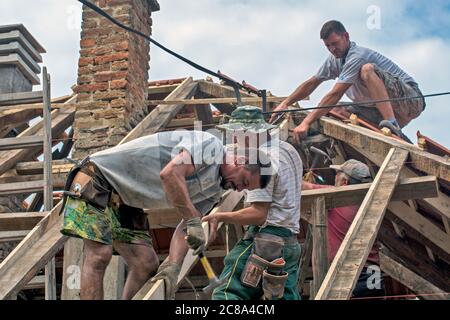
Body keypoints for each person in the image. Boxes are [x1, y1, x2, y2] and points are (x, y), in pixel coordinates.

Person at [60, 130, 271, 299]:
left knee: (146, 265)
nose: (239, 189)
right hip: (96, 178)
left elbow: (188, 226)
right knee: (99, 256)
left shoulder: (217, 189)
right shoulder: (211, 147)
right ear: (241, 161)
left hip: (124, 199)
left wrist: (173, 266)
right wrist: (192, 219)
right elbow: (170, 173)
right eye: (243, 182)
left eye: (245, 189)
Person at [203, 106, 303, 300]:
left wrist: (219, 216)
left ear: (246, 134)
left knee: (227, 293)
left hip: (266, 241)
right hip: (289, 243)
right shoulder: (288, 150)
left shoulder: (260, 160)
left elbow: (258, 214)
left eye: (234, 134)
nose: (233, 140)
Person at [272, 20, 425, 142]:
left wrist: (305, 122)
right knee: (334, 111)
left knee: (367, 70)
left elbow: (335, 94)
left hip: (411, 101)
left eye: (335, 43)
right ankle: (392, 132)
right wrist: (285, 103)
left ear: (346, 36)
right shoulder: (334, 60)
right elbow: (311, 83)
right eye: (328, 46)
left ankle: (391, 124)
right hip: (383, 109)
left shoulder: (357, 55)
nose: (332, 49)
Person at [302, 159, 385, 297]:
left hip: (351, 274)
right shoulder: (371, 202)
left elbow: (299, 187)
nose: (334, 177)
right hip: (373, 273)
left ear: (345, 182)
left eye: (337, 174)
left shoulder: (334, 196)